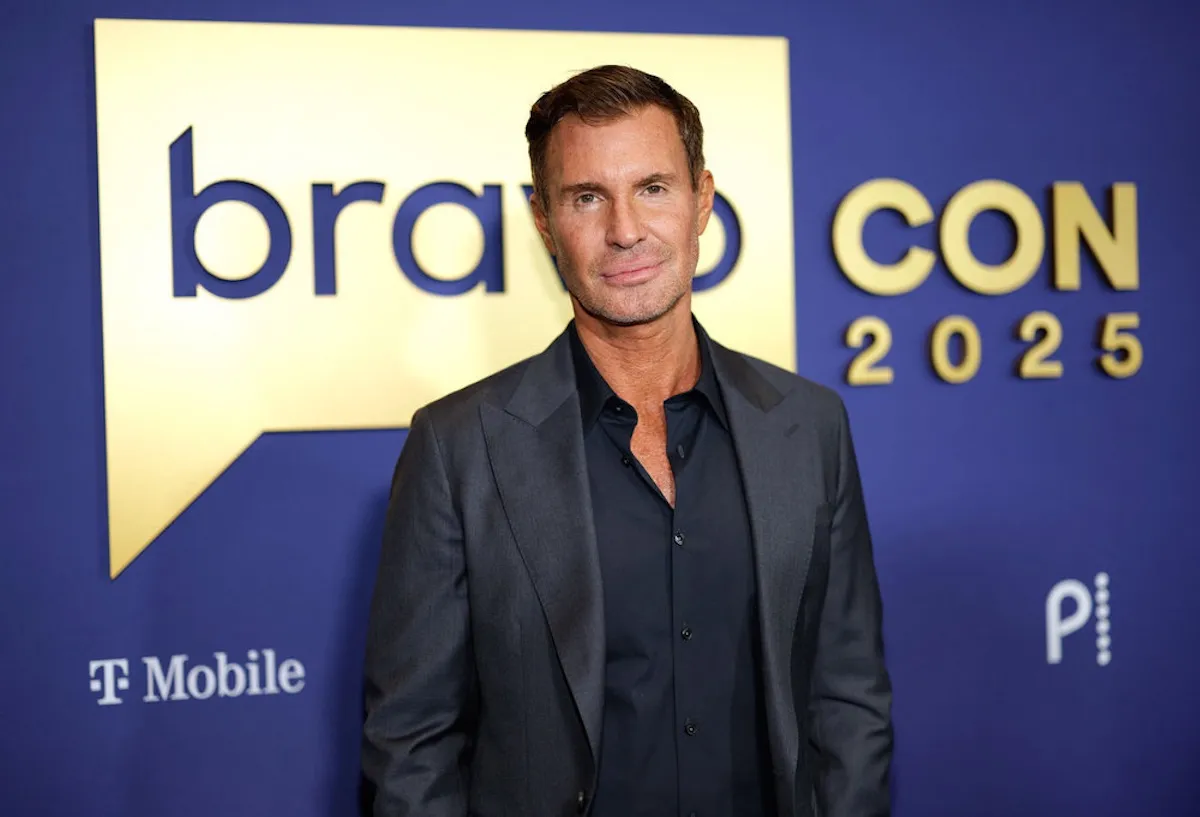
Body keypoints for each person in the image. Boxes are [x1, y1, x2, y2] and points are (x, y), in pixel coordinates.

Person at [361, 64, 893, 817]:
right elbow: (411, 740)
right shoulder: (459, 447)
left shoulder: (809, 425)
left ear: (701, 199)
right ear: (544, 221)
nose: (625, 230)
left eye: (653, 188)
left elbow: (848, 696)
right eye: (587, 197)